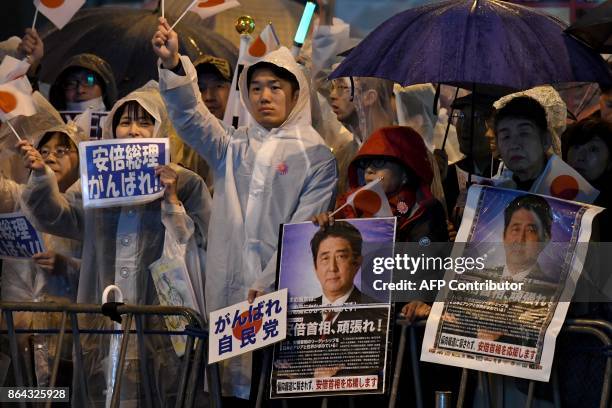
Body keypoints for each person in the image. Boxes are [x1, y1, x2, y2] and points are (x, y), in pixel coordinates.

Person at [152, 17, 337, 401]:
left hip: (280, 306)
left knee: (271, 391)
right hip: (228, 302)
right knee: (229, 395)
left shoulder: (317, 157)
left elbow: (302, 232)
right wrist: (173, 65)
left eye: (274, 87)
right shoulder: (233, 146)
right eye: (255, 88)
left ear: (296, 93)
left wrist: (266, 287)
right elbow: (191, 118)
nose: (263, 96)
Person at [18, 81, 212, 406]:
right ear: (112, 128)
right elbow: (58, 216)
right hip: (104, 321)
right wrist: (40, 177)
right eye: (125, 121)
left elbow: (204, 239)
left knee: (162, 393)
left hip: (161, 322)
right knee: (105, 394)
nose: (133, 131)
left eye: (144, 121)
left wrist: (172, 202)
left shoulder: (185, 181)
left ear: (161, 128)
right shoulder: (95, 180)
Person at [2, 123, 83, 389]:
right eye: (44, 150)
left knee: (60, 398)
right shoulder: (19, 197)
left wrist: (66, 266)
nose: (50, 157)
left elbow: (102, 269)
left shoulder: (85, 210)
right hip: (15, 334)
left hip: (67, 339)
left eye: (62, 150)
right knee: (14, 397)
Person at [48, 53, 118, 111]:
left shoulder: (119, 126)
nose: (80, 90)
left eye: (89, 81)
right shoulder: (48, 126)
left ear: (104, 91)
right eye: (70, 83)